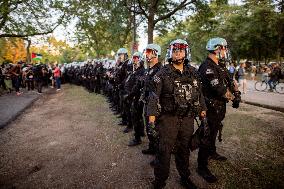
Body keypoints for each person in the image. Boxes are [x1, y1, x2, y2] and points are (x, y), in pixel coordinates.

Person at [147, 39, 207, 189]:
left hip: (187, 118)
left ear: (186, 52)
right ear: (170, 53)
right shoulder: (162, 74)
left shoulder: (193, 72)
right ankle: (159, 182)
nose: (178, 52)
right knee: (164, 151)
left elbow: (199, 95)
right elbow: (153, 98)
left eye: (181, 50)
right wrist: (151, 122)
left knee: (184, 149)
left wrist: (203, 115)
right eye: (175, 50)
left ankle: (185, 177)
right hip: (168, 119)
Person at [198, 37, 240, 183]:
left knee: (214, 131)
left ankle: (212, 151)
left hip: (219, 108)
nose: (226, 51)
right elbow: (219, 88)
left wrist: (237, 92)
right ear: (217, 49)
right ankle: (201, 166)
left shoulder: (220, 65)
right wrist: (233, 98)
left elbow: (230, 81)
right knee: (206, 135)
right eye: (224, 48)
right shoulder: (207, 66)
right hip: (210, 108)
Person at [140, 44, 162, 156]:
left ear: (155, 53)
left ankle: (158, 154)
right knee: (148, 127)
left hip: (155, 106)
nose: (146, 54)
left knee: (155, 129)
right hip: (148, 103)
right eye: (146, 51)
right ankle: (152, 147)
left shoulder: (160, 70)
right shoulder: (149, 69)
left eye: (149, 51)